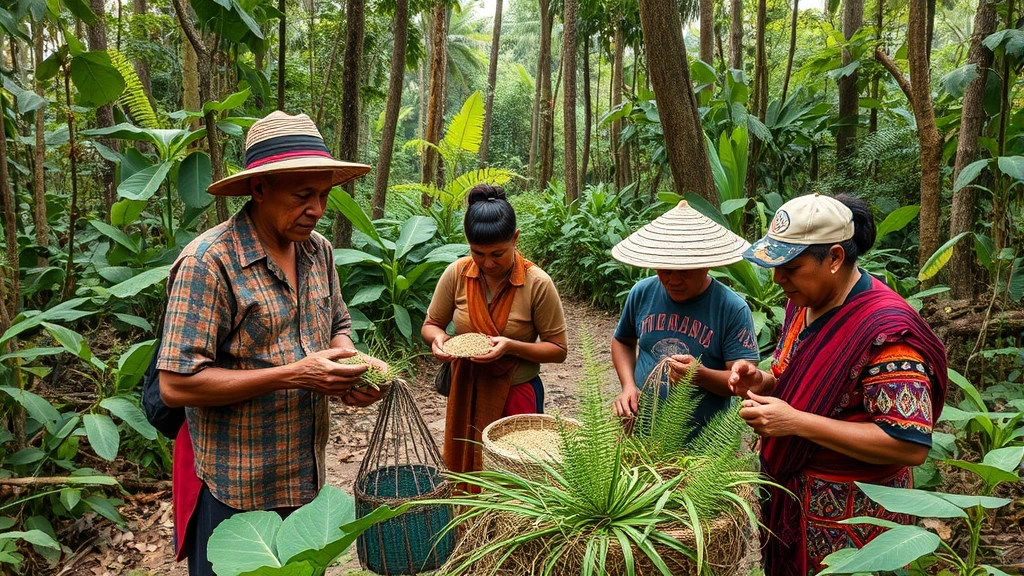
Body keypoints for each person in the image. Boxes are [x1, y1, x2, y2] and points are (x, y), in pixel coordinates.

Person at [157, 111, 387, 576]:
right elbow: (177, 386)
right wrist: (295, 375)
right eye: (303, 195)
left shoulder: (317, 251)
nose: (317, 209)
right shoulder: (209, 263)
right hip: (237, 489)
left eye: (323, 195)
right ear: (259, 189)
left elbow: (339, 324)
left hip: (306, 481)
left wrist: (350, 370)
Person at [728, 193, 948, 576]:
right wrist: (760, 381)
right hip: (793, 506)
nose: (779, 279)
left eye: (791, 267)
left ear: (833, 258)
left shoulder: (885, 334)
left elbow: (909, 444)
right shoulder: (804, 301)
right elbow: (795, 379)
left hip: (857, 519)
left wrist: (795, 422)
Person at [421, 184, 568, 474]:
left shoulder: (537, 283)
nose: (488, 263)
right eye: (478, 253)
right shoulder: (457, 274)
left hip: (516, 395)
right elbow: (431, 325)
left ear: (515, 239)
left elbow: (559, 349)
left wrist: (510, 346)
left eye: (498, 254)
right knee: (466, 471)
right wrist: (440, 341)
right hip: (466, 394)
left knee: (515, 478)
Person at [610, 200, 760, 432]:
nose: (674, 280)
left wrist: (700, 375)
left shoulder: (731, 308)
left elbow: (742, 382)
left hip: (704, 441)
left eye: (685, 272)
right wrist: (628, 386)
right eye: (665, 270)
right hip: (641, 432)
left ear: (706, 265)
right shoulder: (642, 293)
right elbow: (622, 340)